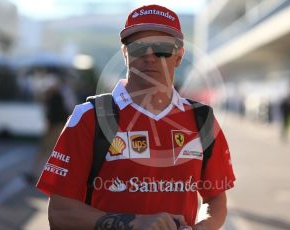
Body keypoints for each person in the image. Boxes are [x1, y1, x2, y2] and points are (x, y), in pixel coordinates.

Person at [36, 4, 235, 230]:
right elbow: (60, 213)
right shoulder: (90, 117)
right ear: (125, 53)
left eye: (161, 48)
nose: (150, 57)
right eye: (139, 47)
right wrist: (132, 223)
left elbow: (216, 199)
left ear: (178, 56)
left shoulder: (202, 118)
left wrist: (203, 227)